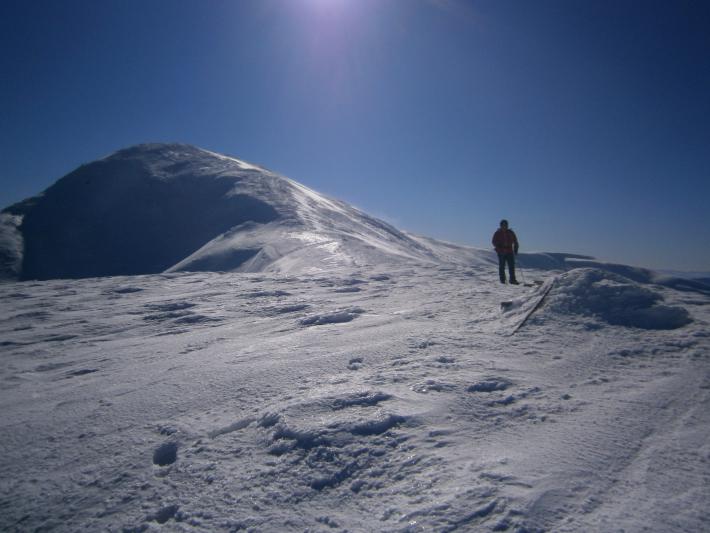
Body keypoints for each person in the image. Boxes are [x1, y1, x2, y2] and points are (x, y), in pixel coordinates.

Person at [492, 219, 519, 284]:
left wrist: (516, 248)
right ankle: (502, 280)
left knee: (511, 266)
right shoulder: (497, 233)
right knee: (502, 266)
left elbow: (515, 241)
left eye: (505, 225)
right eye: (503, 225)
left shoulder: (511, 232)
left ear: (507, 225)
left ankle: (512, 280)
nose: (504, 226)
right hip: (501, 252)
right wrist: (498, 246)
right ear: (501, 226)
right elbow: (493, 241)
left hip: (509, 251)